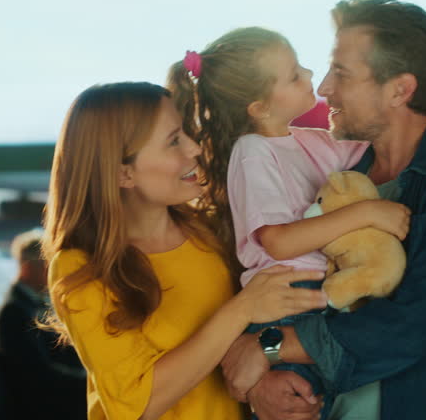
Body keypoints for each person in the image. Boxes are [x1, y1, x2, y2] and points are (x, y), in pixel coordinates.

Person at [220, 0, 426, 420]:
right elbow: (276, 274)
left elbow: (411, 324)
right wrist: (263, 384)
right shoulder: (336, 168)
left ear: (400, 89)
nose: (323, 88)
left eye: (341, 73)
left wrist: (267, 346)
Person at [167, 27, 426, 418]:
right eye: (294, 74)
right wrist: (364, 213)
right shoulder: (252, 152)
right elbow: (277, 241)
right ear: (258, 107)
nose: (311, 76)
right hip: (287, 301)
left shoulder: (311, 142)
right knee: (299, 404)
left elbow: (395, 140)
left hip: (324, 296)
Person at [42, 82, 328, 420]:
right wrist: (242, 309)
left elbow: (238, 353)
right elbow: (136, 405)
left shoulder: (210, 232)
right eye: (173, 140)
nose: (193, 148)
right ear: (123, 173)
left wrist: (259, 384)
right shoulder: (80, 267)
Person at [0, 228, 87, 419]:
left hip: (47, 396)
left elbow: (60, 351)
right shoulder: (14, 312)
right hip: (38, 407)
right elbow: (37, 375)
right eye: (48, 266)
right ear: (27, 269)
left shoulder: (27, 304)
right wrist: (88, 381)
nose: (55, 274)